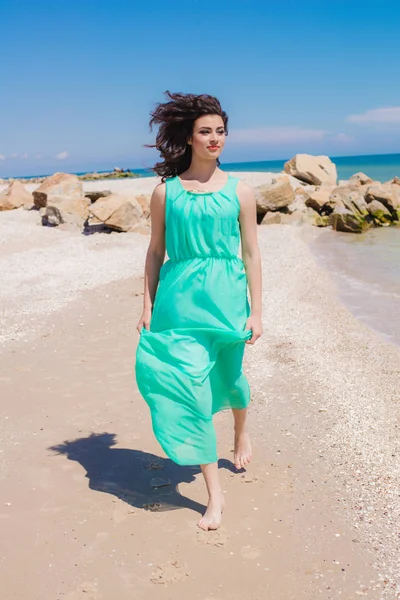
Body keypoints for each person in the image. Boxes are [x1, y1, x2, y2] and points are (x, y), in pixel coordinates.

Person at [135, 91, 262, 531]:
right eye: (205, 131)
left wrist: (257, 311)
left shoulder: (240, 192)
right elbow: (154, 253)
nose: (215, 139)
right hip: (178, 305)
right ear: (189, 138)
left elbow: (251, 254)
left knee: (229, 380)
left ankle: (241, 430)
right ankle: (215, 497)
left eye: (220, 132)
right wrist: (147, 304)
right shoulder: (165, 192)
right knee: (192, 392)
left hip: (227, 303)